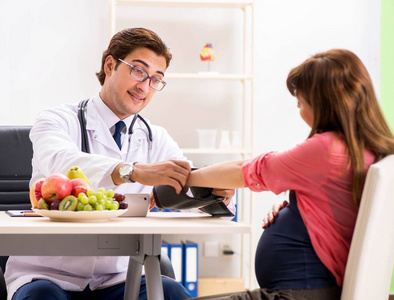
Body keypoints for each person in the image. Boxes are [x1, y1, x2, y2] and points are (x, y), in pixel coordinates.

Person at [5, 27, 235, 300]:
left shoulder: (155, 137)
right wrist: (133, 171)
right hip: (48, 275)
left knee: (173, 294)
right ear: (110, 65)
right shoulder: (57, 120)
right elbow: (60, 162)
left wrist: (214, 191)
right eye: (138, 71)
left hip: (120, 277)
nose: (144, 86)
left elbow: (185, 179)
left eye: (155, 80)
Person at [187, 49, 394, 300]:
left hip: (298, 293)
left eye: (301, 103)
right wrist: (298, 212)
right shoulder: (369, 148)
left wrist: (187, 177)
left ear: (323, 103)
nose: (300, 110)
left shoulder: (326, 149)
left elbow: (248, 171)